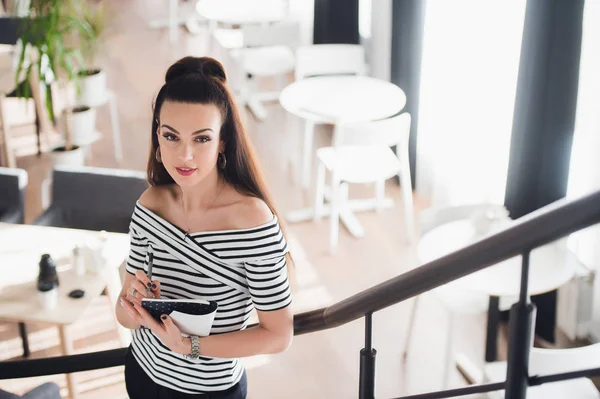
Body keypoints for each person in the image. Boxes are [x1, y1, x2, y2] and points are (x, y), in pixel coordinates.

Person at [115, 56, 294, 399]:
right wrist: (133, 304)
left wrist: (190, 346)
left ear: (222, 141)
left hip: (209, 392)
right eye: (171, 136)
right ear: (158, 135)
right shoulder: (150, 206)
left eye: (201, 139)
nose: (184, 155)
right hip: (140, 372)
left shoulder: (252, 222)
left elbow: (278, 335)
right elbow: (124, 318)